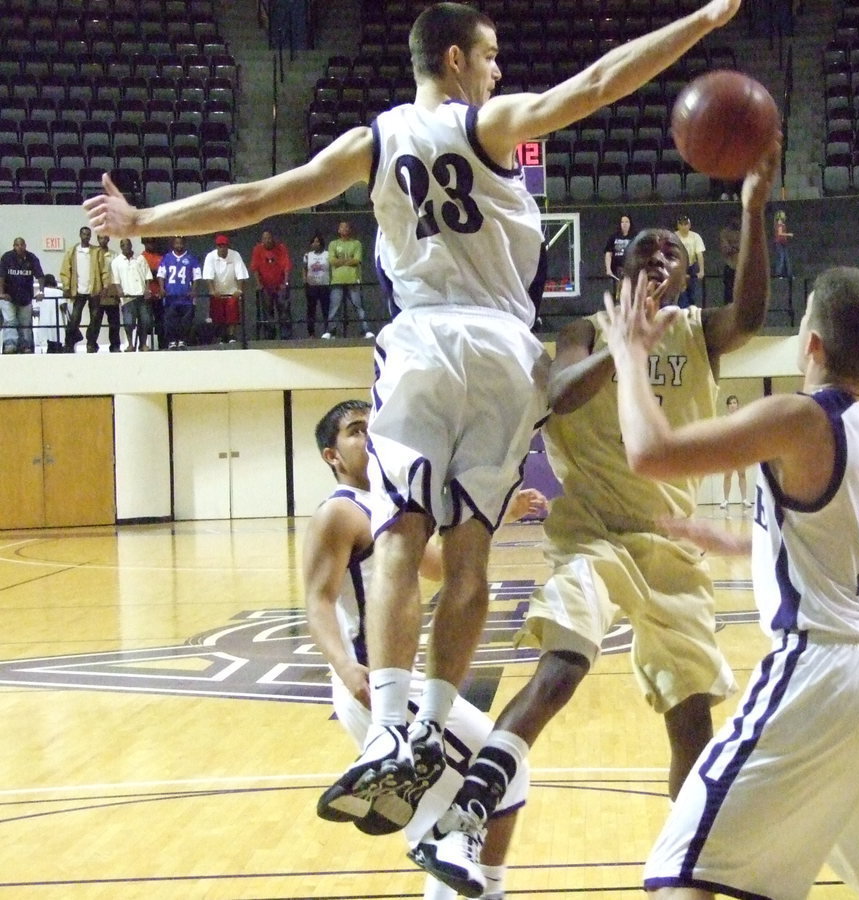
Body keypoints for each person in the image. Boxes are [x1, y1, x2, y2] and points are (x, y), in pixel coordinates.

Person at [84, 0, 746, 847]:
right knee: (470, 554)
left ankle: (392, 729)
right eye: (490, 55)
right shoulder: (488, 124)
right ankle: (431, 725)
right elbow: (597, 84)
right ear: (455, 58)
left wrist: (144, 222)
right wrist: (700, 22)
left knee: (400, 532)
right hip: (503, 351)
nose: (499, 69)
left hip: (424, 344)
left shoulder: (371, 142)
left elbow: (257, 199)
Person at [412, 143, 778, 897]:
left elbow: (751, 314)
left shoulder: (697, 332)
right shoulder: (583, 331)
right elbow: (559, 395)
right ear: (620, 268)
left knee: (691, 718)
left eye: (672, 253)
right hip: (594, 535)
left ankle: (690, 858)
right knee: (563, 666)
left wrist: (751, 207)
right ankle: (470, 809)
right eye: (646, 249)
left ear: (687, 275)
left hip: (671, 547)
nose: (659, 257)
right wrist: (622, 346)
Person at [600, 265, 859, 900]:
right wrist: (740, 543)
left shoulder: (803, 418)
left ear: (812, 343)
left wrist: (629, 353)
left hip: (822, 676)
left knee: (684, 867)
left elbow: (651, 453)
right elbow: (845, 533)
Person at [304, 399, 545, 900]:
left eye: (373, 426)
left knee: (447, 815)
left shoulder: (387, 509)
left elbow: (438, 567)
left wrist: (500, 513)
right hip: (375, 684)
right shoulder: (340, 511)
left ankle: (482, 887)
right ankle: (491, 890)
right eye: (355, 431)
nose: (369, 436)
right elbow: (318, 600)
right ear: (332, 455)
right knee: (501, 771)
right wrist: (346, 668)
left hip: (397, 684)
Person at [60, 225, 110, 353]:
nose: (86, 236)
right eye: (84, 234)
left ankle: (91, 344)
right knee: (74, 319)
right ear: (80, 235)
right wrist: (66, 286)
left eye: (88, 234)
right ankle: (69, 344)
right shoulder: (72, 251)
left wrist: (105, 286)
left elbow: (104, 270)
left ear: (90, 236)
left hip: (94, 290)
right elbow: (65, 270)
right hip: (78, 291)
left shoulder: (97, 251)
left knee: (95, 319)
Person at [326, 220, 372, 339]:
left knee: (359, 306)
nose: (344, 229)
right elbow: (332, 261)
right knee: (334, 308)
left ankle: (366, 330)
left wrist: (340, 262)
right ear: (338, 230)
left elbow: (357, 260)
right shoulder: (333, 244)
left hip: (353, 279)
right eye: (342, 227)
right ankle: (331, 331)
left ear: (350, 230)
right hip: (337, 281)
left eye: (347, 227)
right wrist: (348, 261)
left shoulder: (356, 243)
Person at [201, 235, 249, 345]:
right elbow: (208, 275)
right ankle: (222, 336)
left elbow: (240, 273)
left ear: (228, 246)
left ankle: (231, 335)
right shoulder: (210, 256)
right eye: (220, 246)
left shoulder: (235, 255)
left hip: (232, 291)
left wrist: (239, 289)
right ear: (216, 247)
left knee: (232, 313)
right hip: (217, 291)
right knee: (218, 315)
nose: (222, 248)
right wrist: (212, 290)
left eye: (224, 245)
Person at [0, 237, 45, 354]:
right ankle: (10, 345)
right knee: (9, 321)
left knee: (25, 323)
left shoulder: (32, 258)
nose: (20, 247)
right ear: (13, 246)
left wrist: (41, 292)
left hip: (25, 297)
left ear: (25, 245)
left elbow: (40, 276)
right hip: (9, 297)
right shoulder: (7, 257)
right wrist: (1, 293)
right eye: (17, 245)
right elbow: (1, 276)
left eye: (22, 245)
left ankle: (26, 346)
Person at [110, 238, 155, 352]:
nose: (126, 247)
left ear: (131, 245)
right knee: (129, 322)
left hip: (141, 296)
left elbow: (147, 276)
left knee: (145, 321)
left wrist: (147, 290)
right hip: (127, 297)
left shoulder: (140, 258)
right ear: (121, 247)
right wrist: (119, 291)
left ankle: (143, 344)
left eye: (128, 244)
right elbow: (116, 280)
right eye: (123, 245)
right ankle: (130, 344)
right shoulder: (116, 262)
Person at [158, 236, 202, 350]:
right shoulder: (167, 258)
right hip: (171, 297)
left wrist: (193, 290)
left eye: (181, 243)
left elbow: (197, 276)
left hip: (186, 297)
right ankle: (172, 341)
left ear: (184, 244)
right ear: (173, 244)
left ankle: (183, 341)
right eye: (177, 243)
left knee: (185, 321)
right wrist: (162, 288)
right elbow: (161, 275)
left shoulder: (191, 258)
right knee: (171, 321)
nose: (179, 246)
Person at [250, 229, 292, 340]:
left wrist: (285, 283)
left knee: (284, 310)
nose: (267, 240)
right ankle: (270, 336)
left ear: (273, 238)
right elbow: (255, 268)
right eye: (265, 238)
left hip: (280, 285)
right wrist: (259, 284)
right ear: (262, 240)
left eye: (269, 238)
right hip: (266, 287)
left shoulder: (281, 248)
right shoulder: (257, 249)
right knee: (267, 311)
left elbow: (286, 266)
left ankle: (285, 336)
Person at [719, 395, 752, 512]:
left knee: (742, 475)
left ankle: (744, 499)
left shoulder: (742, 418)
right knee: (727, 476)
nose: (733, 405)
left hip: (740, 451)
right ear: (728, 406)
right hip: (729, 451)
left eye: (735, 403)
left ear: (738, 405)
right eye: (731, 403)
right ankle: (725, 499)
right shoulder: (724, 419)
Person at [303, 233, 331, 338]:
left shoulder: (327, 254)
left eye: (317, 241)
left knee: (326, 310)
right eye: (314, 242)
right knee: (311, 310)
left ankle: (327, 331)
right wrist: (305, 280)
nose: (316, 244)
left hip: (324, 285)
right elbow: (304, 268)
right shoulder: (307, 255)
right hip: (312, 286)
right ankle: (311, 333)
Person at [674, 214, 705, 308]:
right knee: (681, 294)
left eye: (686, 224)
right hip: (679, 267)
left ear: (689, 225)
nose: (684, 227)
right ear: (678, 226)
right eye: (681, 224)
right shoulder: (674, 236)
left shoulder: (695, 236)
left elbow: (699, 254)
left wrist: (701, 270)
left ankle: (691, 311)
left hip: (691, 267)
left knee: (692, 294)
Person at [141, 237, 166, 350]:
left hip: (159, 295)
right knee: (145, 322)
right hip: (146, 296)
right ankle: (144, 344)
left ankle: (162, 345)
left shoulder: (161, 258)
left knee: (160, 322)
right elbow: (143, 275)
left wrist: (152, 273)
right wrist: (154, 274)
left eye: (152, 242)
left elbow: (163, 275)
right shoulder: (141, 258)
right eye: (148, 242)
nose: (150, 244)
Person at [33, 274, 64, 353]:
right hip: (57, 322)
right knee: (57, 344)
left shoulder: (39, 293)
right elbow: (64, 308)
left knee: (45, 344)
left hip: (44, 323)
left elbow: (35, 311)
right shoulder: (60, 292)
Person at [603, 213, 633, 284]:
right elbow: (608, 253)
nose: (624, 224)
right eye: (622, 222)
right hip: (616, 270)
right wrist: (608, 269)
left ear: (630, 224)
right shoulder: (613, 237)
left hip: (630, 269)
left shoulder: (634, 237)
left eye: (627, 222)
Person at [772, 209, 793, 279]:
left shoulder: (781, 224)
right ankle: (779, 274)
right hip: (779, 243)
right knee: (781, 258)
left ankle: (788, 274)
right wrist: (788, 234)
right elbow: (780, 233)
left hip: (783, 243)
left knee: (786, 258)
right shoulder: (779, 225)